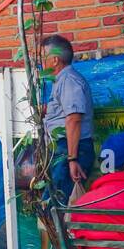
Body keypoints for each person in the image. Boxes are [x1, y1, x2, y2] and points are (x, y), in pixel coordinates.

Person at [41, 34, 94, 205]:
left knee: (56, 206)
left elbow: (73, 119)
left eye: (44, 57)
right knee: (53, 205)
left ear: (55, 60)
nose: (41, 62)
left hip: (72, 149)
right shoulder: (61, 81)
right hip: (64, 149)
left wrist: (72, 159)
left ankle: (59, 233)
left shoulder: (69, 80)